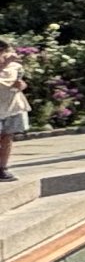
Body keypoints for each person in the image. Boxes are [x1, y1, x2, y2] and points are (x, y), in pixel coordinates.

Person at [0, 47, 27, 181]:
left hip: (11, 107)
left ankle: (2, 168)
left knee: (7, 138)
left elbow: (21, 83)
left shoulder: (16, 67)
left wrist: (21, 85)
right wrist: (3, 64)